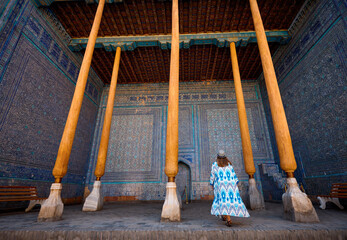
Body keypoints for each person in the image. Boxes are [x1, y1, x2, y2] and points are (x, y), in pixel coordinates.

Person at [210, 150, 250, 227]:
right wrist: (236, 183)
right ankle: (224, 216)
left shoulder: (215, 164)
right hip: (231, 185)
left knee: (223, 200)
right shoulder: (228, 164)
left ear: (217, 157)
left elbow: (212, 175)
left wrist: (211, 183)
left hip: (221, 185)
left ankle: (228, 219)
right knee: (228, 200)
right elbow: (233, 174)